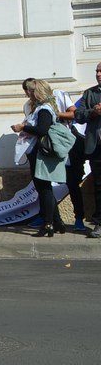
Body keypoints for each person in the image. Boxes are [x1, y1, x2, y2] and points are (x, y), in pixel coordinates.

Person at [13, 78, 68, 238]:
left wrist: (23, 127)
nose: (29, 93)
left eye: (31, 90)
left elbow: (42, 130)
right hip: (37, 154)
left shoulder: (44, 109)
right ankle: (57, 222)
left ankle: (48, 224)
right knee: (44, 188)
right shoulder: (42, 108)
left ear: (38, 92)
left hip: (40, 154)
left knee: (44, 189)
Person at [67, 63, 101, 238]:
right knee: (99, 185)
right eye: (96, 70)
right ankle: (99, 224)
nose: (98, 74)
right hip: (96, 147)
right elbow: (78, 116)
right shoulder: (90, 93)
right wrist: (92, 113)